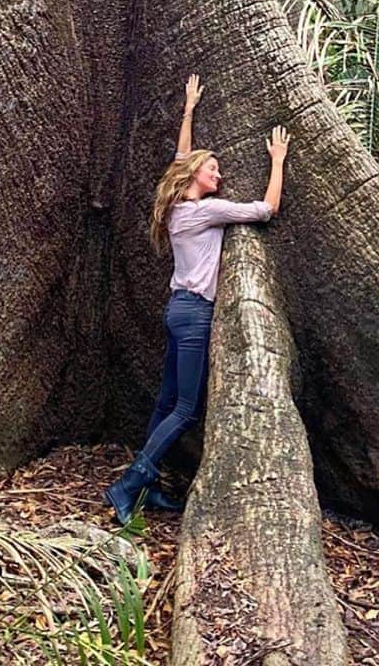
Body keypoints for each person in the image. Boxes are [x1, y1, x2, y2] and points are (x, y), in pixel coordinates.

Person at [103, 74, 289, 524]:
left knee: (168, 403)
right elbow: (266, 211)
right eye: (214, 170)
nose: (219, 175)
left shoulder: (174, 208)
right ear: (196, 179)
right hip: (195, 315)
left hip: (177, 311)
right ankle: (129, 483)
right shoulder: (206, 212)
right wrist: (278, 161)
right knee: (186, 409)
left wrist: (188, 111)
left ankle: (147, 487)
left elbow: (180, 157)